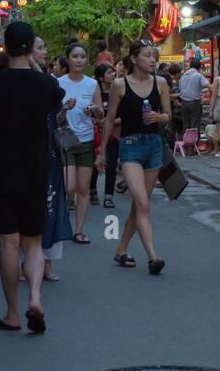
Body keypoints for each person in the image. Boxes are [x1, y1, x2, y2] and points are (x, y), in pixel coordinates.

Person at [0, 21, 64, 334]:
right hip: (36, 170)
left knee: (9, 244)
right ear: (30, 46)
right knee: (33, 243)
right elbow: (55, 93)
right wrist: (34, 64)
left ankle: (12, 313)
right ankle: (35, 298)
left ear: (5, 47)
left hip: (0, 171)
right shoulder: (45, 85)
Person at [98, 40, 171, 274]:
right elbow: (110, 120)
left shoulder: (160, 83)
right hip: (129, 146)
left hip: (154, 147)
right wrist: (101, 152)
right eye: (147, 55)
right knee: (142, 203)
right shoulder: (120, 85)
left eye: (154, 56)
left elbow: (169, 115)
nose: (153, 59)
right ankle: (153, 256)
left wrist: (158, 118)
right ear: (133, 59)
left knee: (140, 205)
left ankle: (120, 249)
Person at [30, 36, 74, 282]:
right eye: (40, 48)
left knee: (51, 203)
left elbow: (57, 118)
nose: (45, 51)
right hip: (27, 153)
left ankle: (45, 266)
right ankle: (29, 263)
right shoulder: (24, 82)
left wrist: (64, 111)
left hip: (49, 152)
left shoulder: (49, 84)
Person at [59, 42, 104, 244]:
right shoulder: (58, 83)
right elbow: (56, 118)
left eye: (82, 57)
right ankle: (61, 220)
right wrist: (65, 110)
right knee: (69, 187)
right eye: (75, 56)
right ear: (68, 59)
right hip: (66, 139)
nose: (79, 60)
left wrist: (94, 109)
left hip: (86, 139)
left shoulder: (92, 83)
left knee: (83, 189)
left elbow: (100, 113)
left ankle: (78, 231)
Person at [91, 63, 118, 207]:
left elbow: (124, 114)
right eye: (109, 73)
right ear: (101, 78)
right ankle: (93, 190)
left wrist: (110, 121)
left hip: (114, 133)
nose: (113, 75)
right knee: (95, 162)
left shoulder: (118, 90)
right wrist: (97, 120)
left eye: (113, 72)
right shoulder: (95, 93)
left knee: (111, 164)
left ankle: (109, 195)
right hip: (96, 133)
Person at [178, 58, 208, 136]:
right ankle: (193, 146)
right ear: (199, 67)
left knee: (186, 125)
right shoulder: (198, 75)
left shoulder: (183, 76)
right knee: (194, 125)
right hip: (195, 104)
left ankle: (186, 145)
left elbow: (182, 89)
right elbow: (208, 86)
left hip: (183, 103)